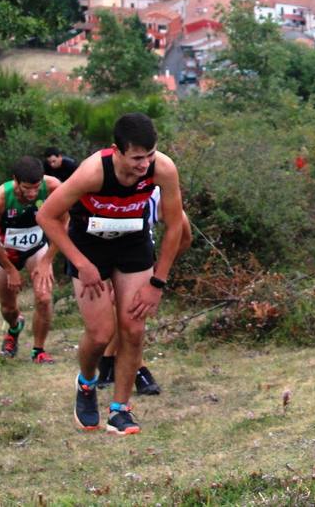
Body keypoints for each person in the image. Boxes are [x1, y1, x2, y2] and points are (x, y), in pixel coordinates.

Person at [38, 113, 188, 435]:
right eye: (136, 158)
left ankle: (120, 410)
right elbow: (47, 216)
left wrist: (157, 282)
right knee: (101, 333)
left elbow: (176, 226)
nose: (144, 165)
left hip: (132, 239)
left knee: (133, 328)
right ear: (116, 151)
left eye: (150, 155)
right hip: (89, 244)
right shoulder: (93, 171)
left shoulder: (163, 168)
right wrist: (81, 264)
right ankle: (87, 382)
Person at [96, 187, 192, 396]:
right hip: (98, 256)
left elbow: (184, 236)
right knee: (103, 327)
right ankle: (106, 362)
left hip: (135, 260)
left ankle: (135, 370)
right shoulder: (96, 183)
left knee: (131, 314)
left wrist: (157, 273)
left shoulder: (156, 193)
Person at [0, 156, 58, 363]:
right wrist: (10, 269)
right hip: (7, 252)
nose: (33, 193)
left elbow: (65, 224)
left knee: (44, 298)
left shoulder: (52, 187)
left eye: (36, 187)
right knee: (8, 308)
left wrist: (47, 260)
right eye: (27, 188)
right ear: (15, 180)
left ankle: (38, 350)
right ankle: (14, 327)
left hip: (36, 248)